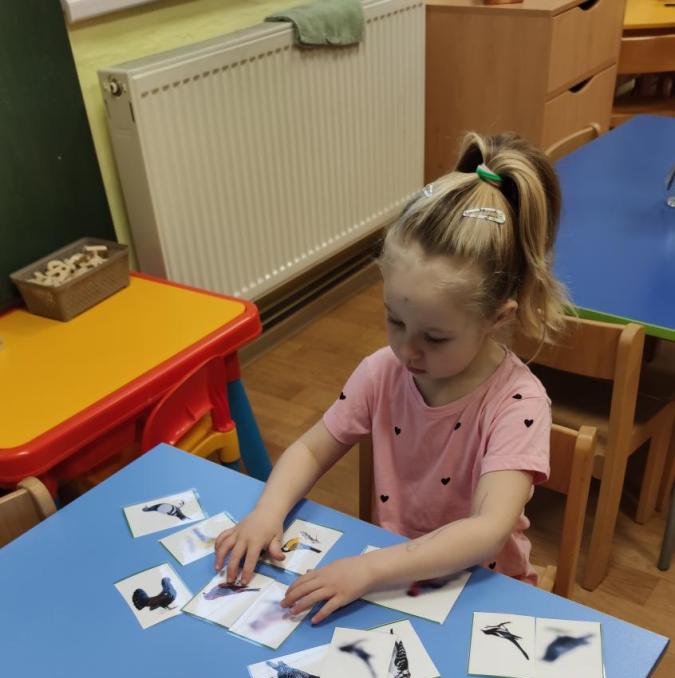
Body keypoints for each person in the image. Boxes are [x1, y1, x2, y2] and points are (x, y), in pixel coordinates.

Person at [214, 130, 567, 623]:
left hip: (480, 595)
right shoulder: (382, 371)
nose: (407, 350)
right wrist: (266, 513)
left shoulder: (518, 403)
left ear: (497, 318)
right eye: (394, 321)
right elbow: (312, 449)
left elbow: (488, 531)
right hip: (391, 584)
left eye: (435, 337)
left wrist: (370, 569)